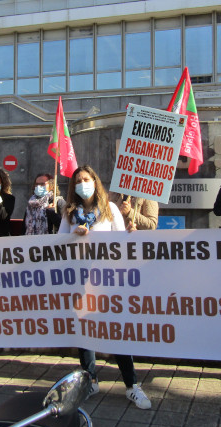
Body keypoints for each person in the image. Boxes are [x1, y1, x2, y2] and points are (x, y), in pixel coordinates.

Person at [58, 165, 152, 410]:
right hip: (80, 280)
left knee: (116, 330)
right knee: (85, 331)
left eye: (86, 179)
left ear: (95, 181)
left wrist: (131, 234)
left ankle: (131, 385)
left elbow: (122, 244)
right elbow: (56, 244)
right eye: (77, 181)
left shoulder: (109, 209)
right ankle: (90, 380)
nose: (82, 184)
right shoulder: (69, 212)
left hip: (109, 282)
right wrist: (72, 236)